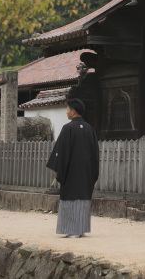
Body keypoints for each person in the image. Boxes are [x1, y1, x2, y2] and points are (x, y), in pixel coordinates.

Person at [46, 98, 100, 238]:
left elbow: (62, 152)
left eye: (68, 109)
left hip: (71, 171)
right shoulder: (89, 129)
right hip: (86, 171)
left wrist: (58, 169)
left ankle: (72, 230)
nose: (66, 112)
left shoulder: (68, 128)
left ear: (73, 111)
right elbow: (95, 153)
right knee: (83, 197)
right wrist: (93, 171)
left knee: (70, 197)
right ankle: (80, 229)